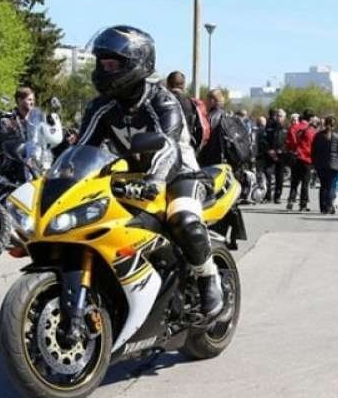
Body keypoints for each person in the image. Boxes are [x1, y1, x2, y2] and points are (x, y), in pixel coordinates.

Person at [76, 26, 223, 318]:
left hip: (180, 176)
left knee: (183, 219)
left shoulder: (162, 101)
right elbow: (81, 148)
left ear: (136, 64)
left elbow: (168, 147)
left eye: (112, 65)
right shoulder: (101, 107)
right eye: (102, 64)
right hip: (129, 180)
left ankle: (208, 278)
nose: (104, 71)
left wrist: (155, 180)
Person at [311, 115, 338, 214]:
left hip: (321, 165)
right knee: (331, 186)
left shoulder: (318, 136)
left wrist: (314, 163)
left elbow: (313, 151)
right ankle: (329, 206)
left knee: (323, 186)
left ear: (325, 124)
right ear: (334, 125)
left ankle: (323, 207)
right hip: (334, 166)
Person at [286, 110, 315, 210]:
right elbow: (312, 144)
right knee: (305, 182)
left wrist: (293, 149)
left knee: (294, 181)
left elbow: (289, 141)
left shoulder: (294, 127)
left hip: (295, 156)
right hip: (306, 158)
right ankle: (303, 204)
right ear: (310, 118)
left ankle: (291, 200)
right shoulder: (311, 130)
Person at [259, 109, 288, 203]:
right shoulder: (269, 126)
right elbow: (263, 140)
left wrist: (281, 150)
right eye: (277, 115)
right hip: (270, 154)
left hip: (281, 155)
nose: (278, 117)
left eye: (280, 116)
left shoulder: (286, 128)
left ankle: (277, 196)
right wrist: (269, 150)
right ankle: (267, 196)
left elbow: (288, 142)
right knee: (267, 174)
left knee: (280, 177)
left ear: (284, 118)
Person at [197, 88, 227, 166]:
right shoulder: (227, 115)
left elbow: (202, 138)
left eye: (206, 100)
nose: (205, 102)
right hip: (224, 159)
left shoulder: (210, 117)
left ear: (212, 101)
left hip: (210, 159)